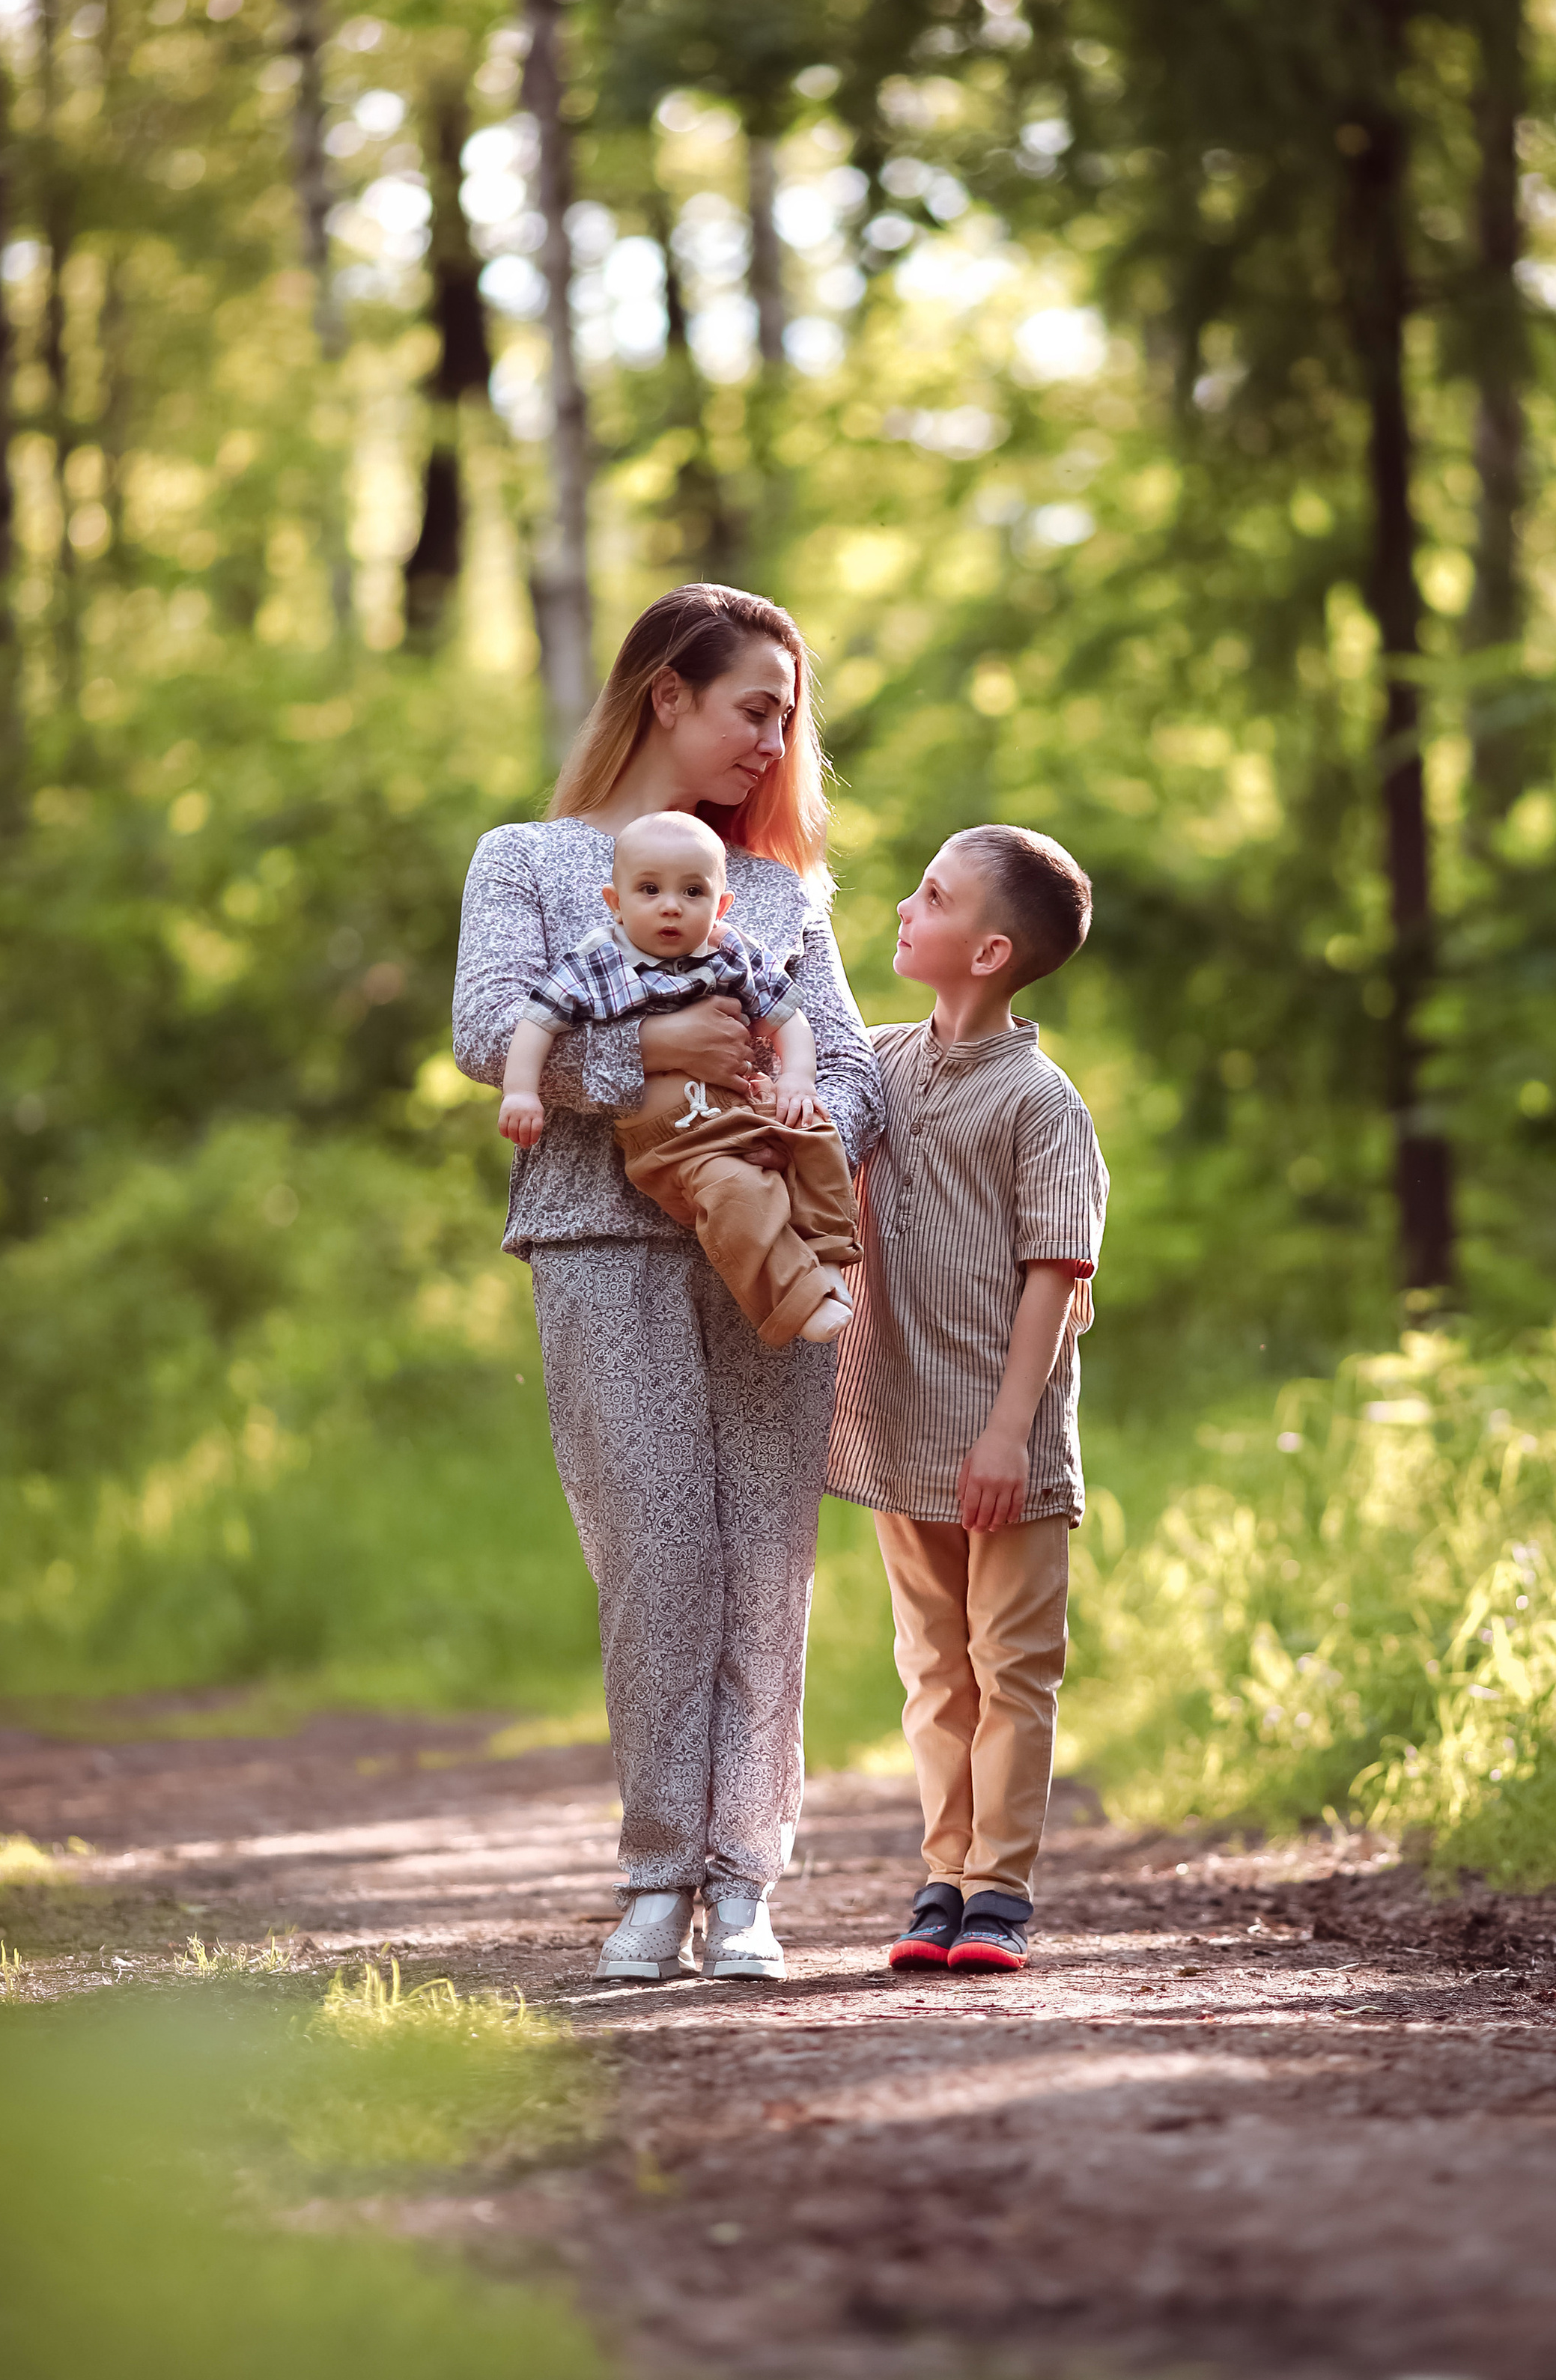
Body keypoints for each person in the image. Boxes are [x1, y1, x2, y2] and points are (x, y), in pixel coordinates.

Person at [452, 585, 882, 1985]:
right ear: (668, 699)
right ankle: (654, 1878)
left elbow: (852, 1067)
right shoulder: (526, 859)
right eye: (756, 709)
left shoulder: (781, 890)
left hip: (775, 1261)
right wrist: (657, 1062)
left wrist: (800, 1127)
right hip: (599, 1243)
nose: (777, 742)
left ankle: (745, 1885)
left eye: (789, 717)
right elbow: (483, 1029)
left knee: (766, 1567)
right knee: (656, 1565)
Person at [827, 824, 1108, 1977]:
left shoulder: (1042, 1104)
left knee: (1012, 1664)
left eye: (930, 896)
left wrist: (1007, 1434)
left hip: (1008, 1450)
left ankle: (1000, 1892)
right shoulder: (881, 1067)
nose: (903, 905)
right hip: (900, 1435)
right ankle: (940, 1875)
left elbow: (1056, 1275)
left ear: (990, 951)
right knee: (933, 1669)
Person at [496, 806, 861, 1348]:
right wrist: (521, 1091)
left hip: (739, 1106)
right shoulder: (599, 960)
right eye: (650, 890)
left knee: (813, 1130)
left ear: (721, 906)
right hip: (676, 1137)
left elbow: (789, 1019)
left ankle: (827, 1251)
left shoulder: (729, 951)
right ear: (615, 903)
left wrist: (798, 1081)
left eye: (693, 892)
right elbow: (535, 1023)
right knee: (734, 1193)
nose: (671, 906)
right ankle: (797, 1297)